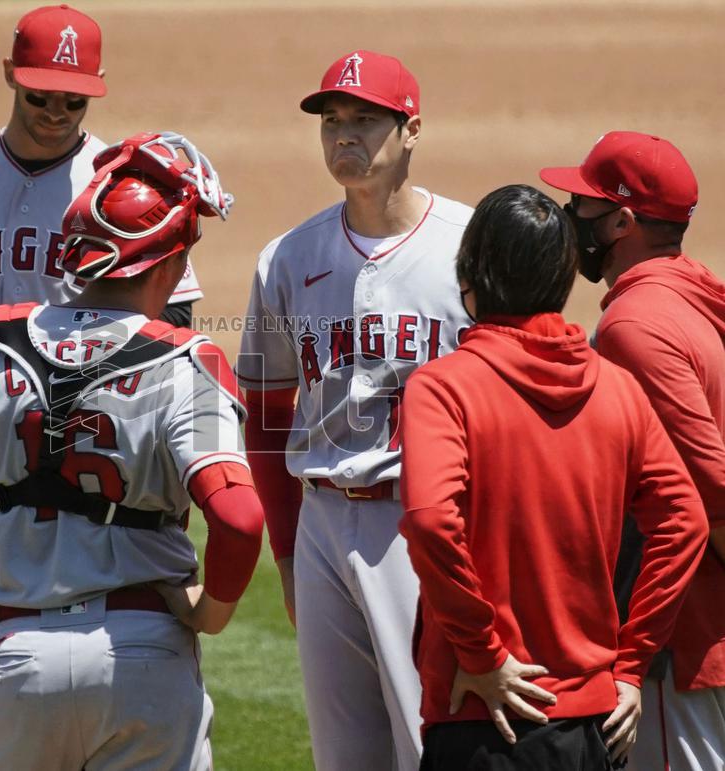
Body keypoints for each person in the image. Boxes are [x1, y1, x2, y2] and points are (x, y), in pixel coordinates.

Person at [0, 131, 264, 770]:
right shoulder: (187, 365)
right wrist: (209, 614)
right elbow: (239, 518)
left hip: (19, 658)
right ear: (173, 263)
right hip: (145, 658)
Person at [0, 4, 204, 653]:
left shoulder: (121, 184)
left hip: (97, 441)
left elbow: (174, 308)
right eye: (40, 95)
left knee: (106, 637)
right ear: (11, 75)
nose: (56, 111)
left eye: (73, 100)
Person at [398, 183, 709, 770]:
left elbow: (431, 520)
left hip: (485, 717)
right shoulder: (617, 388)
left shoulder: (442, 388)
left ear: (472, 270)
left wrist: (483, 653)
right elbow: (685, 523)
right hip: (596, 725)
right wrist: (631, 665)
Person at [237, 50, 474, 770]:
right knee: (344, 754)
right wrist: (284, 549)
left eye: (365, 120)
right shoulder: (287, 257)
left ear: (411, 131)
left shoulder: (468, 248)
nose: (344, 136)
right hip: (320, 523)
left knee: (429, 736)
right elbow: (268, 413)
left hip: (424, 523)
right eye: (332, 121)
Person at [541, 132, 725, 771]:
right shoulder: (691, 294)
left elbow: (711, 489)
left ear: (621, 220)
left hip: (684, 635)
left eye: (582, 203)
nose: (571, 217)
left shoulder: (633, 325)